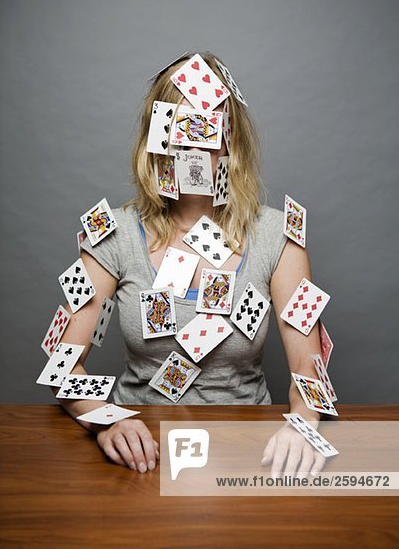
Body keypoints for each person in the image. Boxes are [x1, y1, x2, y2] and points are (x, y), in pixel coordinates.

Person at [52, 51, 326, 477]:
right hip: (141, 447)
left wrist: (303, 426)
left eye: (208, 126)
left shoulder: (276, 236)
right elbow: (62, 366)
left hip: (247, 447)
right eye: (181, 127)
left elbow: (309, 377)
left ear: (230, 137)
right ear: (157, 137)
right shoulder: (116, 234)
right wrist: (105, 419)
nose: (194, 143)